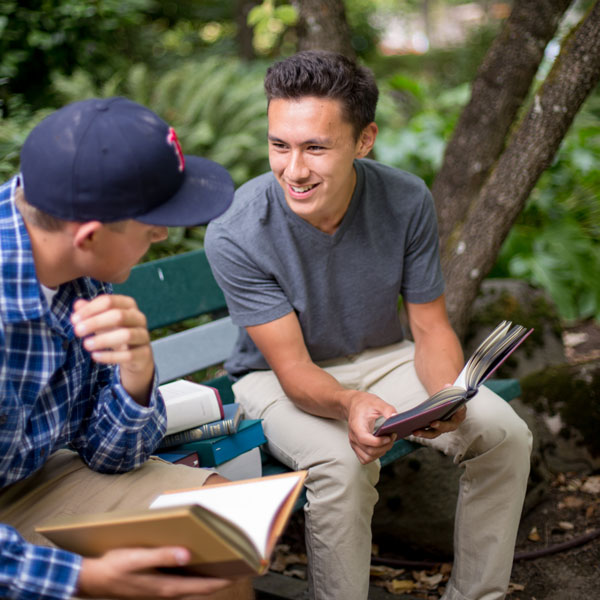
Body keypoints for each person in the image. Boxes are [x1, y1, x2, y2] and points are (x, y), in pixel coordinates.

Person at [204, 51, 533, 600]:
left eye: (315, 147)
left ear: (364, 140)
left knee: (506, 435)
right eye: (279, 145)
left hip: (385, 356)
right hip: (274, 379)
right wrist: (351, 403)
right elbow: (293, 367)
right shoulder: (237, 233)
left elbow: (428, 329)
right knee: (340, 466)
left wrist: (448, 397)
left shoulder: (405, 199)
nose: (293, 169)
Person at [0, 97, 253, 600]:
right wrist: (83, 577)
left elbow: (110, 456)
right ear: (89, 236)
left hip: (27, 483)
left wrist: (136, 376)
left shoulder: (82, 270)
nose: (162, 236)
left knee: (222, 532)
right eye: (152, 226)